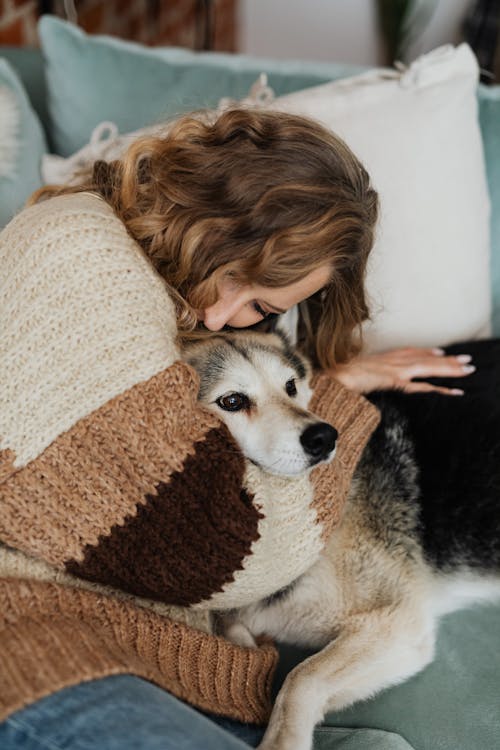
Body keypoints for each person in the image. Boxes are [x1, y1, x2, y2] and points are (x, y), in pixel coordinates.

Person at [0, 108, 473, 750]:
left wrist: (308, 387)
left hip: (164, 669)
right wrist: (334, 404)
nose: (222, 316)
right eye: (235, 280)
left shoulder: (153, 286)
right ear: (215, 210)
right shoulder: (80, 254)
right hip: (39, 651)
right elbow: (217, 548)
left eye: (262, 310)